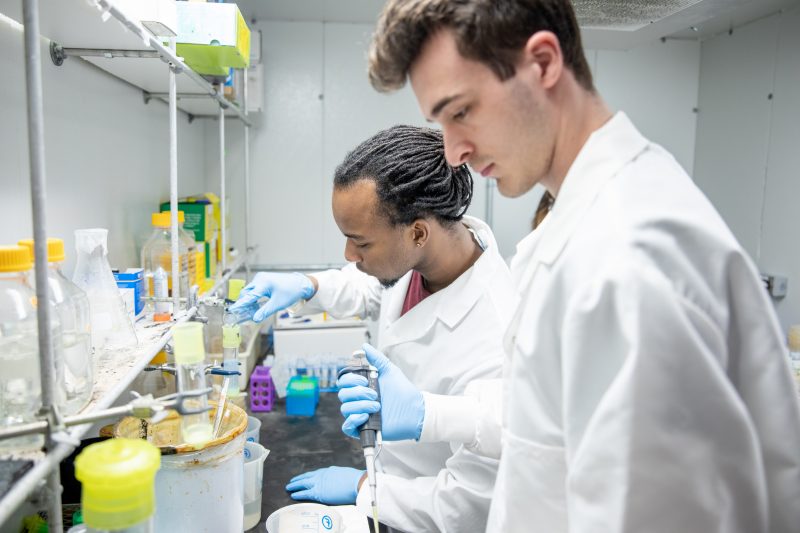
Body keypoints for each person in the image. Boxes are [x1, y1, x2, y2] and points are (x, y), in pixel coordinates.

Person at [337, 1, 800, 532]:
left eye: (460, 111)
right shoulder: (580, 227)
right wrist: (434, 414)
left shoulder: (627, 253)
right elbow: (554, 424)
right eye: (439, 123)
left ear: (543, 63)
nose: (454, 151)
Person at [230, 125, 516, 532]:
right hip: (386, 476)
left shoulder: (497, 335)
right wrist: (306, 285)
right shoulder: (427, 253)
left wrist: (365, 487)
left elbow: (466, 506)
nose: (349, 254)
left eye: (360, 243)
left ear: (418, 232)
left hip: (418, 512)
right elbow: (372, 287)